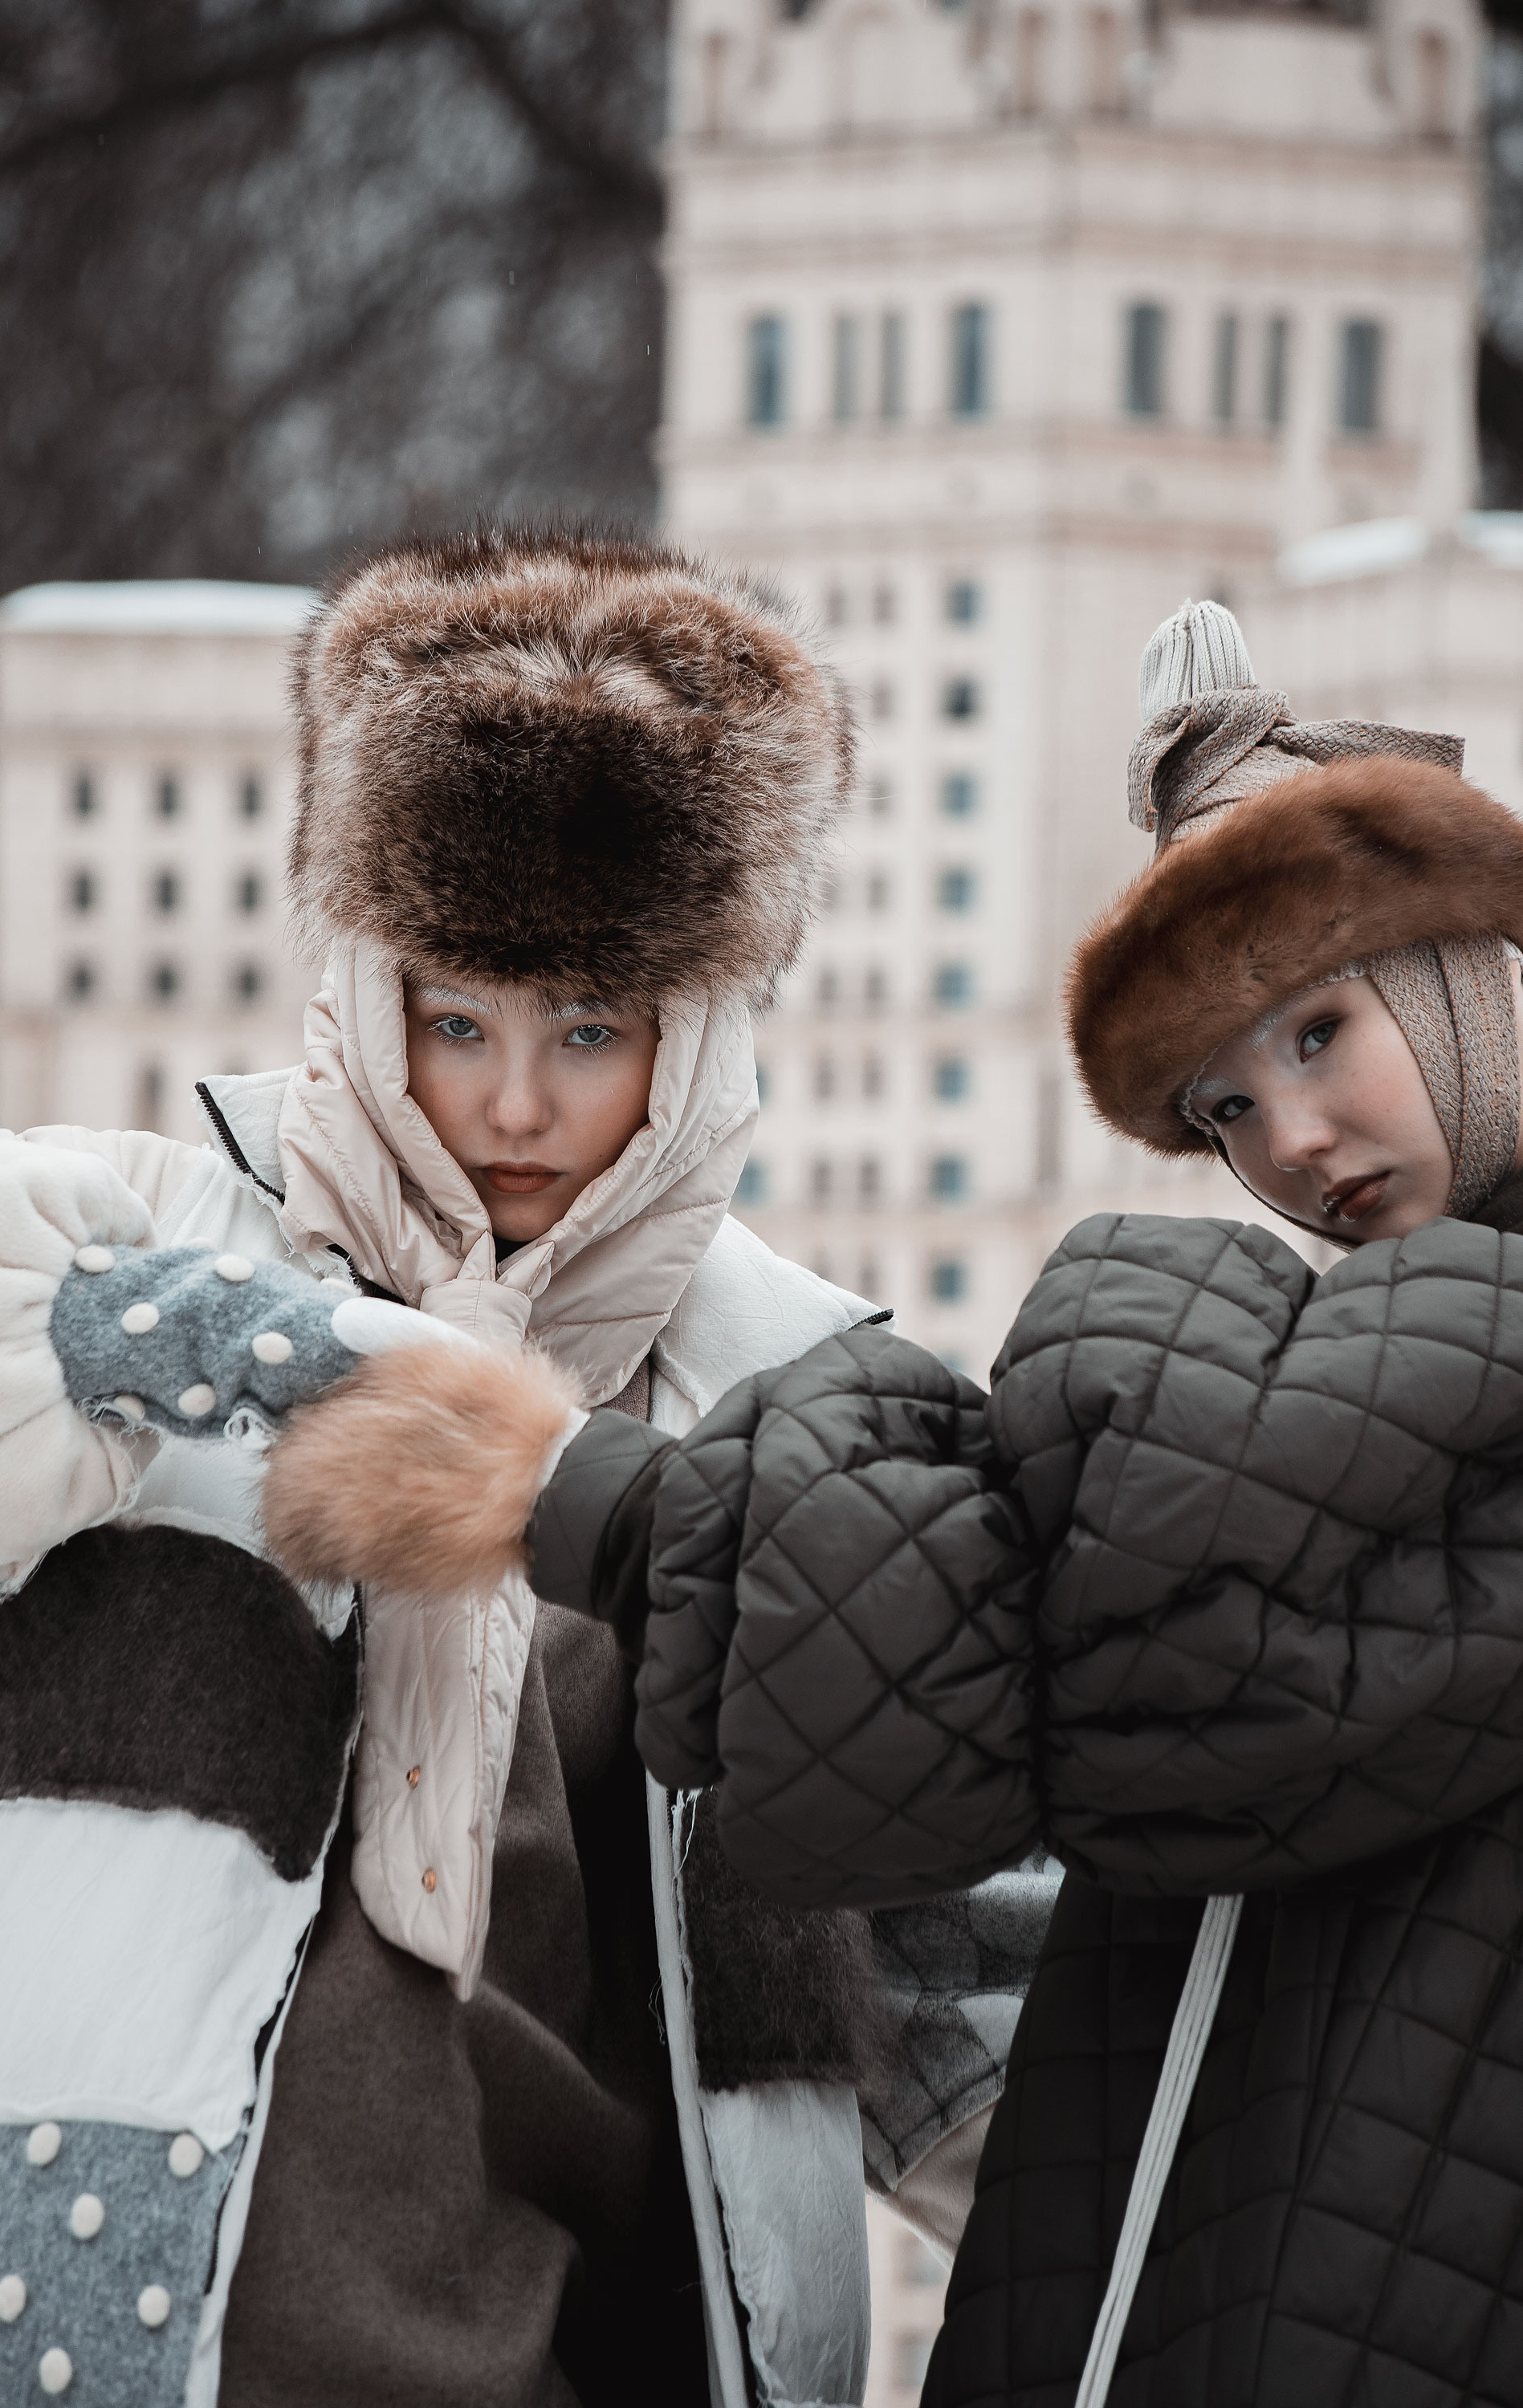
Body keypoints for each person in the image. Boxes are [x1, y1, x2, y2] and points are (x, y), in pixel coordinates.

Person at [282, 599, 1523, 2407]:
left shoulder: (1389, 1391)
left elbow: (1116, 1645)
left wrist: (597, 1503)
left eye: (1322, 1031)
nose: (1292, 1143)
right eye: (1223, 1102)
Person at [0, 530, 1053, 2408]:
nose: (515, 1104)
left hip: (617, 2336)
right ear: (374, 994)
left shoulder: (811, 1403)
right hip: (115, 2304)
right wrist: (245, 1351)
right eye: (458, 1021)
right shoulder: (159, 1238)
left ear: (691, 1039)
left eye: (588, 1032)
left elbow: (953, 1984)